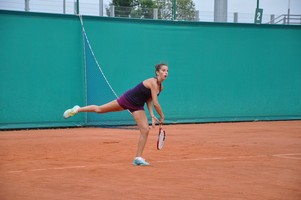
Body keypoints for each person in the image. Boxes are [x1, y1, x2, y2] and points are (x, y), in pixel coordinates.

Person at [63, 63, 169, 166]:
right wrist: (162, 116)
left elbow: (149, 100)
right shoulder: (152, 82)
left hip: (137, 106)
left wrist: (151, 114)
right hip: (127, 99)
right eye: (163, 70)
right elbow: (156, 103)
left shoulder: (160, 87)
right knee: (99, 109)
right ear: (157, 72)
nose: (166, 72)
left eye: (167, 71)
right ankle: (78, 109)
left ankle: (138, 158)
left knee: (145, 130)